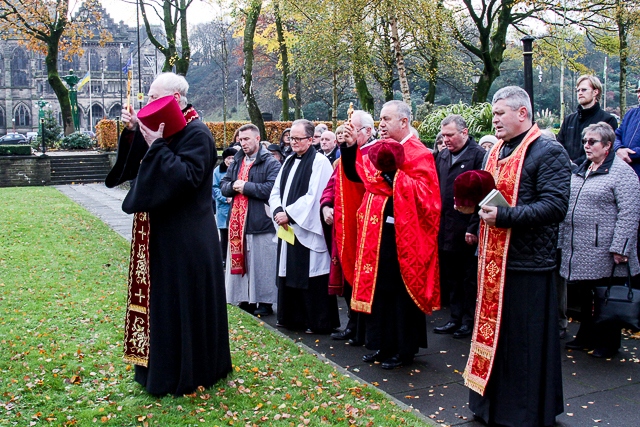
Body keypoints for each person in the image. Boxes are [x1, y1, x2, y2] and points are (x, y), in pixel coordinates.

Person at [104, 72, 231, 396]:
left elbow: (187, 179)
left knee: (182, 306)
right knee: (161, 305)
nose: (148, 103)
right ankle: (158, 370)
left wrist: (157, 145)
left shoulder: (198, 133)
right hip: (162, 237)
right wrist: (134, 134)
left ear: (174, 99)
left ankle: (188, 372)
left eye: (153, 98)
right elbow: (136, 171)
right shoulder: (170, 133)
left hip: (188, 240)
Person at [465, 86, 570, 427]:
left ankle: (523, 412)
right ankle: (490, 405)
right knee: (495, 338)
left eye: (500, 114)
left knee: (523, 344)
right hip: (495, 261)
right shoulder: (495, 149)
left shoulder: (548, 150)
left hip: (528, 265)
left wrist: (506, 217)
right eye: (493, 114)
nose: (494, 120)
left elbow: (555, 206)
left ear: (522, 113)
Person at [342, 100, 441, 369]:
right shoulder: (378, 150)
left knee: (399, 293)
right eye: (380, 119)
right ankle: (382, 344)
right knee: (380, 290)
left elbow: (427, 198)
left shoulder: (419, 153)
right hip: (376, 233)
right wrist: (350, 147)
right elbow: (359, 176)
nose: (381, 124)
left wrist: (394, 177)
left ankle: (402, 348)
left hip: (404, 235)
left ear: (404, 122)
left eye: (386, 119)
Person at [559, 122, 640, 359]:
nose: (586, 145)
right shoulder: (583, 168)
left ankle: (609, 343)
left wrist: (621, 247)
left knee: (605, 296)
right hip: (580, 247)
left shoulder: (622, 173)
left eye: (592, 141)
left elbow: (630, 212)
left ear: (607, 146)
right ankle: (586, 336)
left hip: (605, 249)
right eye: (585, 141)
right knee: (587, 296)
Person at [269, 119, 340, 333]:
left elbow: (315, 195)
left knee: (311, 273)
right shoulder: (289, 161)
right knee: (287, 270)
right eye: (291, 138)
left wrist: (288, 214)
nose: (293, 143)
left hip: (307, 229)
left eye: (298, 139)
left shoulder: (319, 162)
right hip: (288, 228)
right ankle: (292, 318)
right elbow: (275, 191)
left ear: (310, 139)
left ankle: (316, 321)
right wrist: (277, 211)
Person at [321, 110, 376, 346]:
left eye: (352, 129)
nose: (347, 134)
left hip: (362, 228)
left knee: (361, 278)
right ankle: (352, 325)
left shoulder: (374, 154)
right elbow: (331, 185)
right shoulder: (342, 157)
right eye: (346, 129)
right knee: (345, 278)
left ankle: (363, 329)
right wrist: (326, 206)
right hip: (342, 227)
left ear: (367, 131)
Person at [221, 124, 282, 317]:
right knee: (243, 264)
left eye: (246, 139)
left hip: (260, 221)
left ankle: (265, 302)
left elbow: (271, 189)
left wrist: (245, 186)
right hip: (238, 223)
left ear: (257, 139)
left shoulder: (271, 162)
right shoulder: (237, 161)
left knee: (263, 264)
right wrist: (233, 186)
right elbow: (223, 185)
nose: (243, 143)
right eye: (240, 139)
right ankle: (244, 298)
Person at [433, 115, 485, 339]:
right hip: (445, 225)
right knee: (451, 275)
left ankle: (468, 320)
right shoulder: (442, 156)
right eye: (443, 135)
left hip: (466, 226)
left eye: (450, 135)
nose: (446, 140)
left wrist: (473, 227)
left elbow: (483, 195)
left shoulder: (479, 156)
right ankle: (454, 317)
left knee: (468, 277)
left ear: (464, 133)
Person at [557, 75, 618, 167]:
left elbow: (607, 151)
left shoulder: (608, 120)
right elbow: (559, 146)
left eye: (584, 90)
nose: (580, 93)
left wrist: (575, 164)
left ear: (595, 92)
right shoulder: (569, 120)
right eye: (578, 90)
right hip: (566, 171)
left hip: (594, 172)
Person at [213, 147, 237, 267]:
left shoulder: (238, 168)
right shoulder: (218, 171)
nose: (230, 160)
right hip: (223, 207)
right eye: (228, 158)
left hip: (236, 206)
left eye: (233, 158)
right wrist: (224, 198)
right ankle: (223, 258)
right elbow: (214, 187)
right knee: (224, 234)